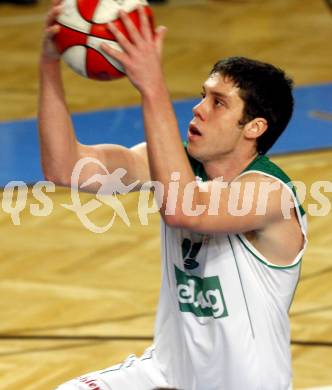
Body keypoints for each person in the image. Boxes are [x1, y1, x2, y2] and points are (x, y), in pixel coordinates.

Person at [39, 1, 307, 389]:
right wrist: (50, 64)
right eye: (203, 95)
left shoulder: (270, 193)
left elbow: (184, 208)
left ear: (254, 127)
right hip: (166, 375)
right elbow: (63, 167)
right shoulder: (169, 163)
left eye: (218, 103)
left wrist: (151, 84)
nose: (198, 109)